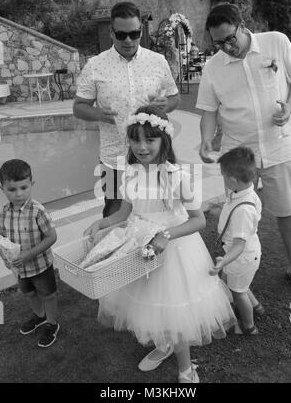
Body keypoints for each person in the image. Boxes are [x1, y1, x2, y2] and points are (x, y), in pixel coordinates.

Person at [84, 105, 235, 383]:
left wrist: (166, 235)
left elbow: (198, 220)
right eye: (136, 139)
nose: (142, 147)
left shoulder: (177, 176)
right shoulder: (128, 174)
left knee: (174, 308)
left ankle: (186, 369)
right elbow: (123, 213)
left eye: (149, 139)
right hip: (141, 247)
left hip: (174, 250)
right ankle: (163, 345)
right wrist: (102, 223)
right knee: (150, 302)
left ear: (164, 140)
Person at [196, 4, 291, 294]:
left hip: (280, 146)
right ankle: (236, 275)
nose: (226, 47)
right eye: (218, 43)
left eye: (230, 39)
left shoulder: (276, 41)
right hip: (238, 156)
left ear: (243, 26)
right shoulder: (213, 66)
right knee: (237, 214)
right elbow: (208, 110)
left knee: (288, 210)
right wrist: (205, 139)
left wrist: (289, 106)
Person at [73, 1, 180, 218]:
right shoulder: (95, 65)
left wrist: (167, 104)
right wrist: (97, 114)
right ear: (112, 33)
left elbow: (174, 97)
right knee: (114, 214)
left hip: (154, 156)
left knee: (157, 213)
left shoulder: (157, 61)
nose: (129, 40)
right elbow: (78, 107)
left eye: (134, 33)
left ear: (141, 30)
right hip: (115, 159)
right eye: (122, 35)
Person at [0, 159, 59, 347]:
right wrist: (4, 255)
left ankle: (52, 323)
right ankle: (39, 316)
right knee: (30, 294)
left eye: (23, 188)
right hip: (19, 269)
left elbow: (51, 237)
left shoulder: (38, 211)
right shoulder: (3, 213)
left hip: (40, 266)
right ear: (2, 188)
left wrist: (29, 254)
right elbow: (1, 235)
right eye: (12, 189)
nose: (18, 194)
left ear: (31, 184)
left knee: (48, 295)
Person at [209, 147, 264, 335]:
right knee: (239, 284)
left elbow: (239, 245)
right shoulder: (245, 192)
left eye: (223, 176)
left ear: (232, 180)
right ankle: (257, 307)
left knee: (238, 291)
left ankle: (248, 326)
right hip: (241, 255)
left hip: (241, 257)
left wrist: (224, 261)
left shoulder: (243, 211)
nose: (222, 179)